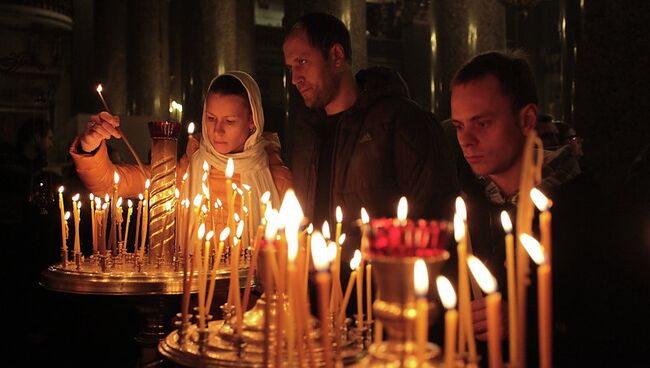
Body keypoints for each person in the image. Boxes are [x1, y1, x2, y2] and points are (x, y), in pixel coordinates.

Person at [450, 51, 609, 367]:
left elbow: (613, 320)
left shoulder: (587, 206)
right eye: (458, 126)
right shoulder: (465, 203)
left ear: (526, 119)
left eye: (482, 123)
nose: (466, 140)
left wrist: (525, 321)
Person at [283, 12, 457, 236]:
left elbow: (435, 217)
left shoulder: (402, 121)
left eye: (302, 62)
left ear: (336, 55)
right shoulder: (307, 134)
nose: (295, 78)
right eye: (290, 68)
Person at [70, 71, 292, 241]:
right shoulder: (185, 173)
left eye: (230, 121)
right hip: (192, 296)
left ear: (253, 121)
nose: (217, 130)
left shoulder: (276, 180)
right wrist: (90, 147)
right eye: (211, 118)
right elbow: (109, 184)